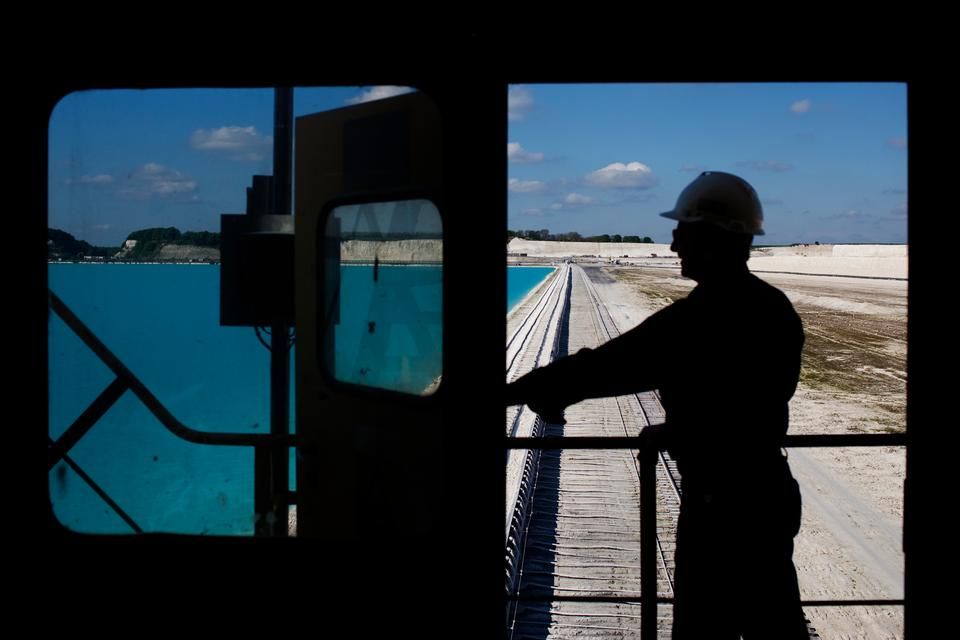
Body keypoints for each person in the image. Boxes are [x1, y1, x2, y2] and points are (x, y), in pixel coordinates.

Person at [505, 171, 809, 639]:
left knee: (701, 629)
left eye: (681, 233)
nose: (674, 247)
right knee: (776, 623)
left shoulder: (700, 319)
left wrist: (520, 391)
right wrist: (680, 431)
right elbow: (748, 406)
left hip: (720, 506)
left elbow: (607, 366)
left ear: (712, 236)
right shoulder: (773, 307)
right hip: (767, 493)